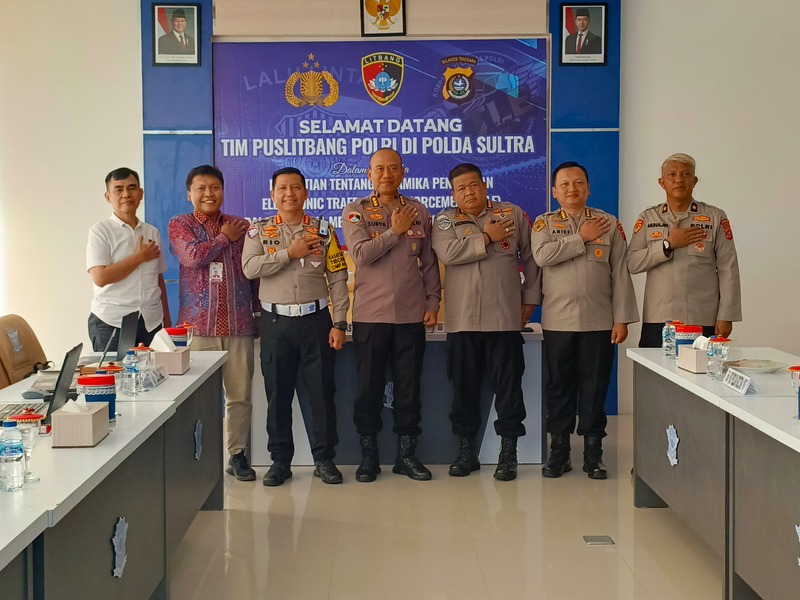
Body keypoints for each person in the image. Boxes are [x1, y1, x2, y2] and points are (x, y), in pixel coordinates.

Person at [431, 163, 541, 481]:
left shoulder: (512, 214)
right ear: (453, 194)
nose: (469, 192)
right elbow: (449, 254)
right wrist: (486, 237)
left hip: (504, 318)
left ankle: (509, 452)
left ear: (484, 185)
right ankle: (466, 451)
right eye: (461, 188)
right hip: (462, 321)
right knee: (463, 389)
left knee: (509, 389)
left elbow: (532, 258)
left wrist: (530, 299)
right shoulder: (444, 220)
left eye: (474, 185)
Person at [242, 167, 349, 486]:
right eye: (282, 188)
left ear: (305, 193)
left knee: (321, 393)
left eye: (295, 188)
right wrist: (290, 253)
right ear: (272, 195)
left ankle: (324, 460)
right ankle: (280, 461)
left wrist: (340, 322)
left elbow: (338, 277)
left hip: (317, 321)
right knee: (278, 395)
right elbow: (249, 268)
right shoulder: (258, 231)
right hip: (276, 324)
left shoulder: (324, 231)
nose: (289, 193)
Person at [532, 161, 638, 479]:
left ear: (588, 188)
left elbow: (620, 273)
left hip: (599, 321)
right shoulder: (544, 223)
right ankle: (559, 453)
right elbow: (542, 256)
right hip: (558, 322)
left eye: (578, 183)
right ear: (554, 191)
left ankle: (594, 455)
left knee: (594, 388)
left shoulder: (608, 223)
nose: (572, 189)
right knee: (559, 388)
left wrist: (621, 319)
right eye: (564, 184)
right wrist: (580, 238)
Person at [341, 148, 441, 483]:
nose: (386, 174)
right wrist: (394, 231)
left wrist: (433, 302)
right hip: (371, 315)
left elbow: (428, 262)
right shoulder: (355, 211)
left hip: (411, 316)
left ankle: (406, 456)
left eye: (393, 168)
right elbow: (360, 254)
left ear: (402, 173)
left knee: (409, 389)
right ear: (369, 174)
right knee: (368, 388)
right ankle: (368, 457)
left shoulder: (418, 210)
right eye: (379, 169)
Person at [168, 165, 259, 482]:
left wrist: (258, 314)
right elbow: (192, 257)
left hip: (238, 325)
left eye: (215, 187)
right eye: (201, 188)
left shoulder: (242, 225)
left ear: (223, 190)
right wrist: (223, 238)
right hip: (198, 328)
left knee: (240, 396)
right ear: (189, 194)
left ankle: (237, 455)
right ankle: (197, 459)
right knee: (197, 400)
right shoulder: (180, 224)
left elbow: (252, 273)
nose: (209, 193)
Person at [628, 153, 742, 346]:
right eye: (672, 175)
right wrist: (667, 244)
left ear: (694, 181)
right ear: (662, 183)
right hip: (658, 319)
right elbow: (632, 263)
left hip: (701, 318)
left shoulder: (715, 217)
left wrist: (726, 315)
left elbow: (728, 268)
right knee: (654, 367)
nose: (679, 179)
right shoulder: (648, 218)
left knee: (703, 366)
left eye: (686, 174)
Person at [86, 167, 171, 352]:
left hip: (151, 321)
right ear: (108, 197)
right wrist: (139, 257)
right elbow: (100, 278)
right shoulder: (100, 231)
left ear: (140, 194)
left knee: (155, 371)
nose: (126, 194)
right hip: (112, 323)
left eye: (132, 188)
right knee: (116, 371)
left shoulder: (152, 232)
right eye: (119, 189)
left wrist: (167, 321)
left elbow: (158, 278)